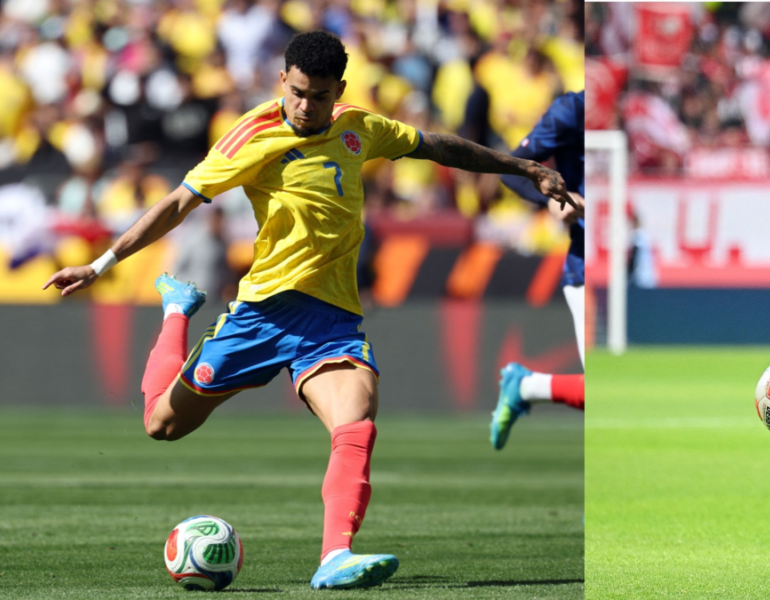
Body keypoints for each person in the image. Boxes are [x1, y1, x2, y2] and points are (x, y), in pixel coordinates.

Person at [43, 31, 572, 590]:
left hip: (331, 321)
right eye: (296, 92)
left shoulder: (359, 128)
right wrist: (100, 264)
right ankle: (178, 309)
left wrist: (524, 167)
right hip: (261, 314)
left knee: (356, 419)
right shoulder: (252, 134)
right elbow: (178, 202)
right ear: (282, 80)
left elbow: (438, 146)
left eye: (319, 96)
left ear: (337, 90)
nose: (305, 106)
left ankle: (334, 556)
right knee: (161, 425)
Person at [490, 91, 584, 451]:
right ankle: (525, 387)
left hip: (627, 265)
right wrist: (552, 200)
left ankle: (526, 387)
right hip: (586, 266)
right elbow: (510, 170)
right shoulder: (573, 110)